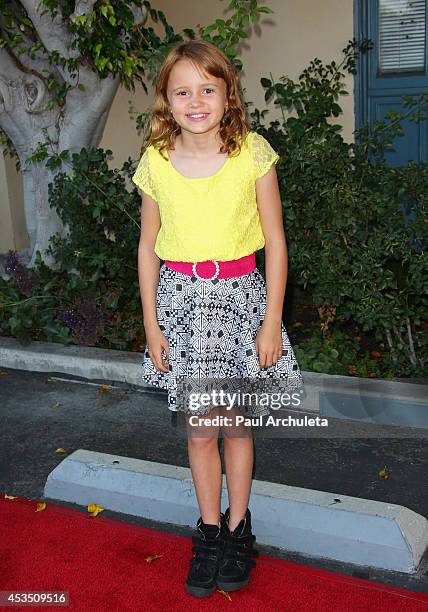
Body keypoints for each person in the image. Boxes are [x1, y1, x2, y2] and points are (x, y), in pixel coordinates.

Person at [132, 39, 304, 599]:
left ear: (229, 95)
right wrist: (152, 325)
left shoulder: (253, 153)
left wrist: (272, 319)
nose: (196, 100)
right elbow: (147, 247)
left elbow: (276, 242)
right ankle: (207, 530)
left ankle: (238, 529)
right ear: (167, 100)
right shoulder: (155, 159)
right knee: (201, 431)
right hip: (181, 304)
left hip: (240, 302)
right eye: (183, 91)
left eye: (208, 89)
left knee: (233, 425)